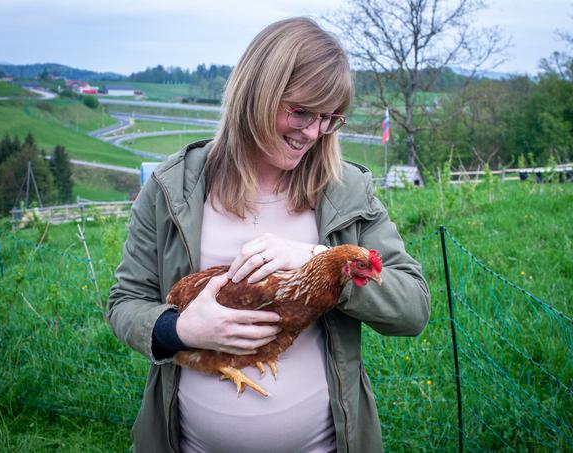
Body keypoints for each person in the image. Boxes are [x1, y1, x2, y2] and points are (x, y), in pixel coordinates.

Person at [107, 17, 430, 453]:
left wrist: (319, 260)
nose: (314, 133)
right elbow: (125, 303)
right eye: (300, 111)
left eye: (329, 119)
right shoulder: (173, 188)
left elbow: (413, 308)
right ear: (256, 92)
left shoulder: (346, 192)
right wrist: (180, 329)